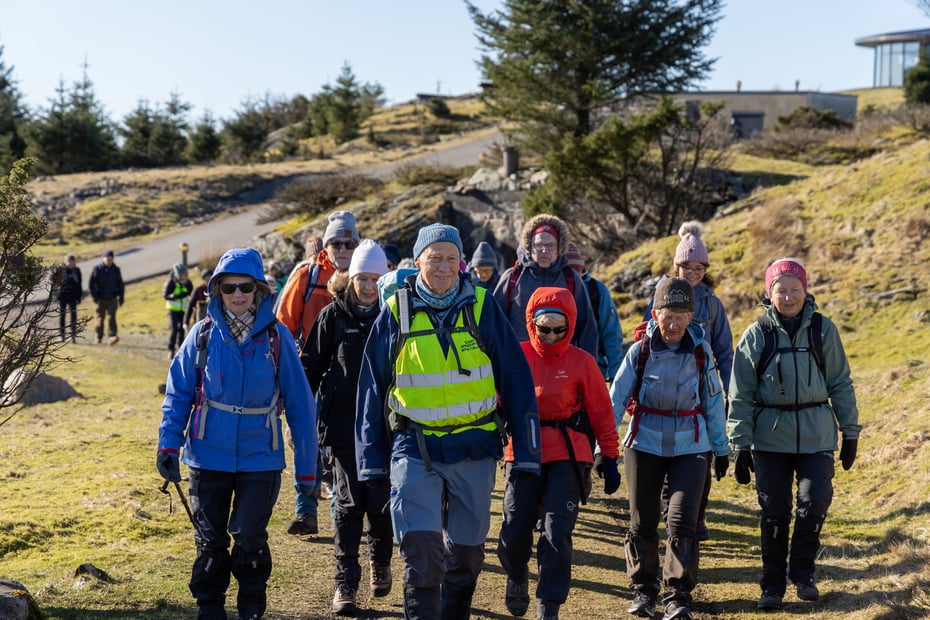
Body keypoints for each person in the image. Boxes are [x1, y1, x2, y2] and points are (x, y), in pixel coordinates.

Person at [356, 223, 541, 620]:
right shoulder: (395, 310)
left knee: (466, 554)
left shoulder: (481, 305)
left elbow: (516, 377)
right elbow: (371, 387)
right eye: (434, 258)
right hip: (414, 445)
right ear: (418, 260)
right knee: (422, 552)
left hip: (474, 445)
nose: (443, 267)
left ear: (462, 263)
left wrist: (526, 452)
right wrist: (370, 458)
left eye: (451, 259)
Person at [156, 247, 318, 620]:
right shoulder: (201, 335)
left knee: (248, 536)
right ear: (217, 291)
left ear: (259, 289)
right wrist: (168, 444)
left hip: (260, 457)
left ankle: (251, 608)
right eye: (229, 288)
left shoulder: (277, 339)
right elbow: (178, 394)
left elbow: (301, 409)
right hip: (206, 455)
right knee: (210, 541)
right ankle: (210, 609)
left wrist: (307, 473)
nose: (238, 294)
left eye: (246, 286)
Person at [727, 258, 860, 611]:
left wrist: (850, 432)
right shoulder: (757, 334)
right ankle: (772, 586)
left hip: (817, 435)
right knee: (775, 512)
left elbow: (841, 383)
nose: (788, 297)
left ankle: (803, 575)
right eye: (780, 290)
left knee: (814, 504)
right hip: (770, 438)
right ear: (769, 294)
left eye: (794, 290)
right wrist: (739, 444)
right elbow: (739, 393)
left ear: (806, 291)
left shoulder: (823, 330)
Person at [496, 286, 620, 620]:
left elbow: (602, 413)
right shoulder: (514, 356)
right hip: (523, 451)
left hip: (569, 451)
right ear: (531, 323)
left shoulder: (582, 362)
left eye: (558, 329)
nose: (551, 335)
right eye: (544, 328)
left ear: (570, 325)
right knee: (514, 531)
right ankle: (517, 571)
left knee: (556, 529)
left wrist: (609, 457)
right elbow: (494, 402)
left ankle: (548, 606)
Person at [610, 277, 730, 620]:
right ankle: (644, 591)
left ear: (691, 316)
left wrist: (720, 449)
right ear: (654, 313)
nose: (673, 323)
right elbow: (616, 399)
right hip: (644, 442)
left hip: (690, 445)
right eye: (667, 314)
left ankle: (677, 595)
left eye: (681, 314)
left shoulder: (700, 351)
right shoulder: (641, 350)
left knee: (682, 521)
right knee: (643, 519)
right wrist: (603, 446)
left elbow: (713, 400)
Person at [301, 240, 394, 616]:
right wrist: (301, 413)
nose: (369, 286)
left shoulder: (395, 316)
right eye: (362, 278)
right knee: (347, 506)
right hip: (342, 429)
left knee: (382, 506)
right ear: (350, 278)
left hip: (387, 430)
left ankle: (381, 560)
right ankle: (345, 584)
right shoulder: (333, 316)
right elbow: (309, 367)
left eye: (375, 278)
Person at [643, 221, 734, 541]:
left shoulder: (712, 302)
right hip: (663, 384)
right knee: (667, 454)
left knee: (702, 454)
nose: (692, 273)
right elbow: (645, 336)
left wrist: (728, 388)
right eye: (686, 266)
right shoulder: (661, 293)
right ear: (675, 265)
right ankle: (671, 512)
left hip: (700, 387)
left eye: (699, 267)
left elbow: (724, 349)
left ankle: (695, 516)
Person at [277, 209, 360, 536]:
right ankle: (305, 510)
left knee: (340, 444)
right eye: (336, 242)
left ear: (356, 243)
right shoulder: (306, 277)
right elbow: (283, 326)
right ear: (325, 245)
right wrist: (287, 369)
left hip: (348, 378)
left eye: (348, 242)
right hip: (307, 374)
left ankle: (341, 509)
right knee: (306, 441)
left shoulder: (365, 277)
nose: (342, 248)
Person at [493, 214, 599, 358]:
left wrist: (588, 366)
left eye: (550, 245)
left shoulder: (571, 279)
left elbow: (586, 328)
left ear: (559, 248)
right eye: (538, 245)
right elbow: (494, 323)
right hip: (518, 360)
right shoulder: (512, 278)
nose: (544, 250)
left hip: (561, 364)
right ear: (529, 247)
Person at [565, 243, 622, 383]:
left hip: (594, 370)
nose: (574, 277)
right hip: (559, 372)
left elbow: (612, 334)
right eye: (569, 272)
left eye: (577, 271)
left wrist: (616, 374)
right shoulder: (552, 291)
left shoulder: (597, 290)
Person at [88, 249, 124, 345]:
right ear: (103, 258)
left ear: (112, 259)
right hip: (100, 299)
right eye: (106, 258)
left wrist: (121, 297)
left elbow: (120, 284)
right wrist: (95, 297)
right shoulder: (97, 269)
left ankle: (112, 337)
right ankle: (98, 337)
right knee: (100, 318)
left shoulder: (116, 270)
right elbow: (91, 284)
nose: (108, 260)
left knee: (112, 318)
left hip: (112, 298)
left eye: (110, 258)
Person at [164, 263, 194, 358]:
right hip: (172, 309)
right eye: (182, 275)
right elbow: (165, 295)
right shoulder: (171, 282)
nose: (184, 277)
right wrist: (174, 296)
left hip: (183, 309)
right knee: (174, 328)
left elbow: (192, 294)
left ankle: (180, 349)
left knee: (182, 329)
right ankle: (171, 349)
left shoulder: (188, 283)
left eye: (185, 275)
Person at [55, 254, 82, 343]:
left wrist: (79, 297)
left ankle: (73, 336)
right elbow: (54, 282)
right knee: (62, 315)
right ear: (66, 262)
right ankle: (62, 335)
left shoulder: (77, 271)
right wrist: (56, 295)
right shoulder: (61, 270)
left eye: (73, 261)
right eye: (69, 262)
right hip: (62, 296)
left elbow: (79, 285)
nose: (71, 263)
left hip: (73, 296)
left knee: (73, 315)